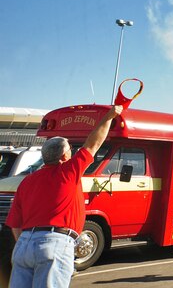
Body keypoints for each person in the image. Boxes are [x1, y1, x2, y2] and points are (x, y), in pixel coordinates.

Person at [6, 104, 123, 288]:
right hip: (54, 243)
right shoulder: (68, 171)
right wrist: (109, 116)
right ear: (64, 156)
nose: (73, 152)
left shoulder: (26, 182)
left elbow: (15, 224)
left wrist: (28, 245)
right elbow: (93, 144)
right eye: (70, 149)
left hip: (23, 246)